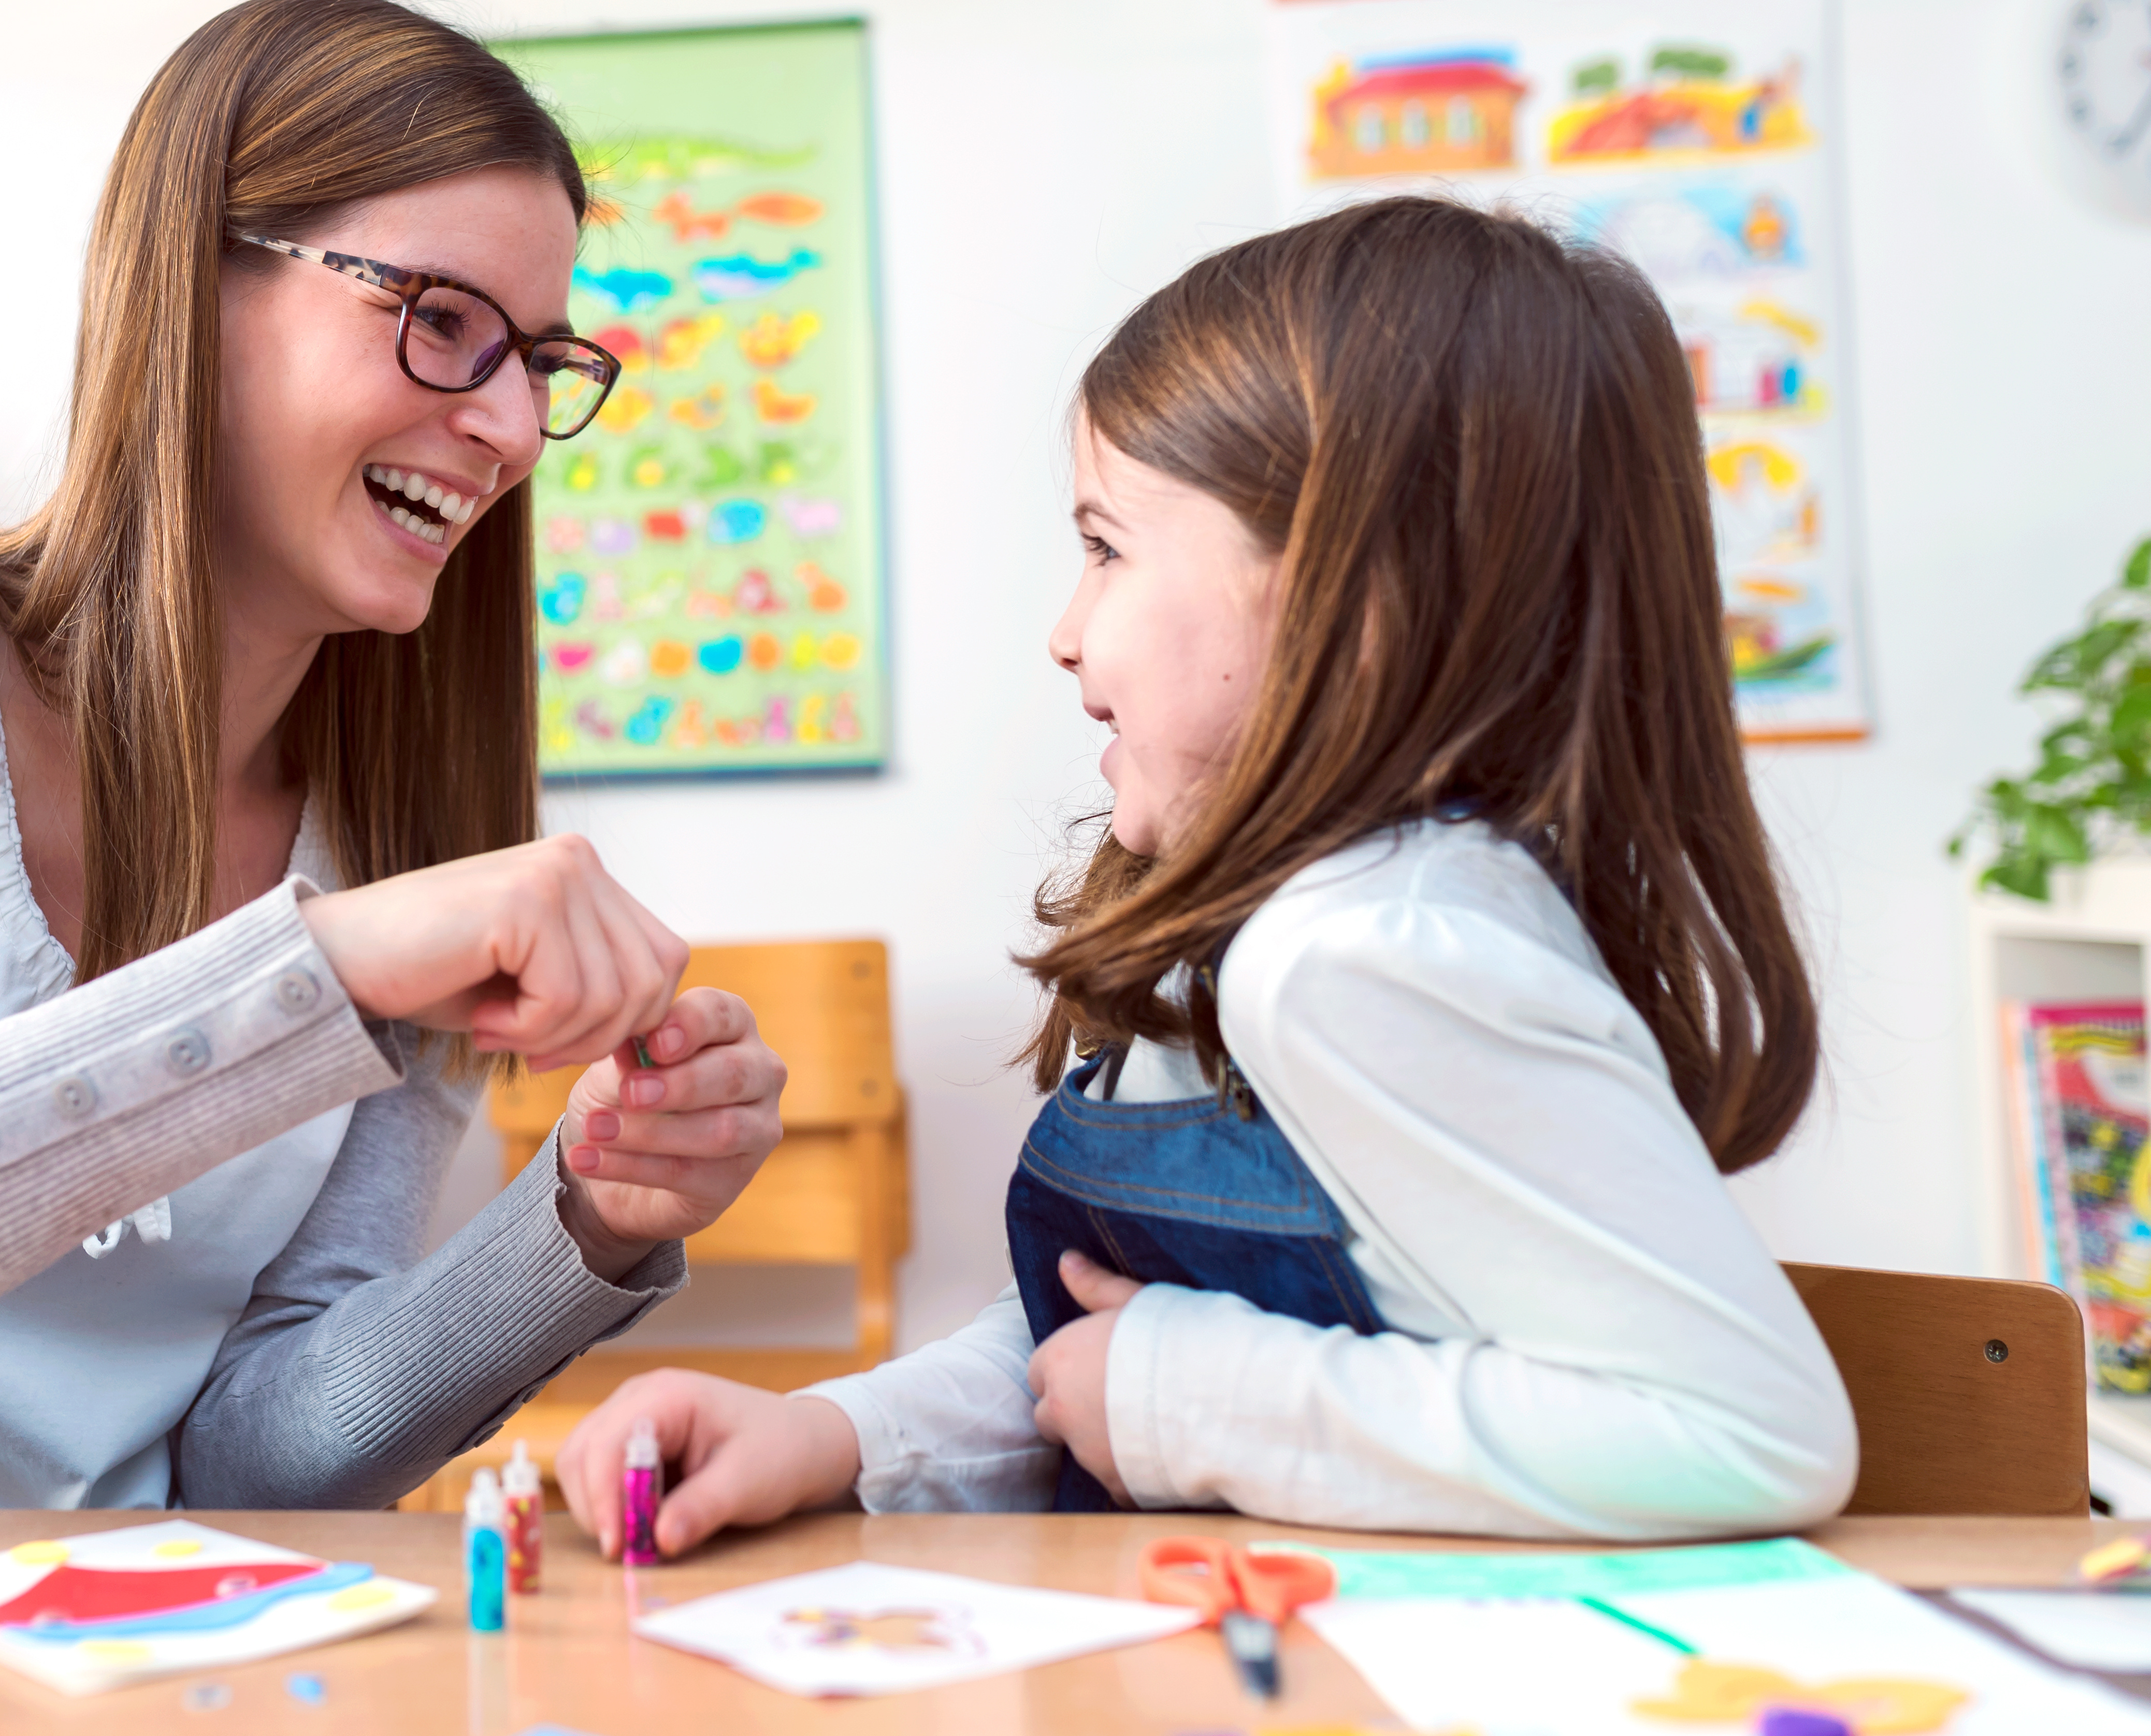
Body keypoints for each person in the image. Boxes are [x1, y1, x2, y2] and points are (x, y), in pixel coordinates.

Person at [0, 0, 785, 1510]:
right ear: (194, 289)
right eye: (442, 322)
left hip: (119, 1676)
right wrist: (315, 977)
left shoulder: (397, 841)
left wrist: (582, 1224)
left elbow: (255, 1457)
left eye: (540, 361)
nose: (516, 429)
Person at [558, 197, 1858, 1550]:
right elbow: (1107, 1337)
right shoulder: (1272, 928)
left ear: (1354, 604)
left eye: (1106, 547)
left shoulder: (1374, 952)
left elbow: (1742, 1433)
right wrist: (835, 1434)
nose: (1065, 635)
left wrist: (1191, 1395)